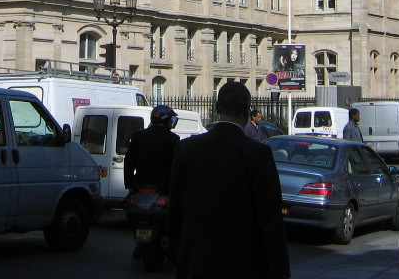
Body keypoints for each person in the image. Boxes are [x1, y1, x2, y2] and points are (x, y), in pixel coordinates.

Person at [169, 81, 290, 279]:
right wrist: (279, 270)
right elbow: (269, 218)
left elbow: (176, 211)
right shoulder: (257, 153)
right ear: (246, 110)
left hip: (197, 262)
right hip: (242, 265)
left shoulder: (186, 149)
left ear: (217, 108)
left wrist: (176, 258)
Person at [124, 104, 180, 195]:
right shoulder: (173, 139)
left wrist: (129, 183)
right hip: (163, 187)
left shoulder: (138, 136)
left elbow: (129, 161)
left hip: (139, 184)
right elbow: (176, 166)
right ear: (166, 120)